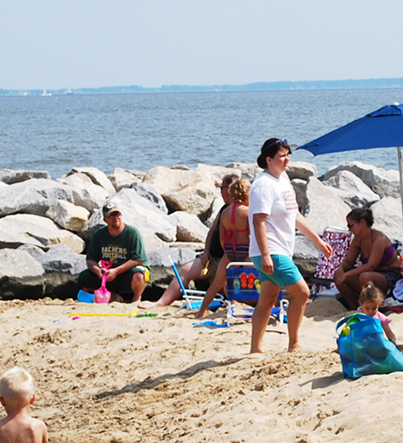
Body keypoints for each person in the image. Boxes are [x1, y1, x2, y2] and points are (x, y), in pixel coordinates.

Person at [247, 137, 332, 354]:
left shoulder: (283, 179)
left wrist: (318, 241)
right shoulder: (263, 184)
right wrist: (265, 255)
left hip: (279, 250)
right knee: (302, 293)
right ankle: (294, 344)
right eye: (281, 156)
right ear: (268, 159)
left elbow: (295, 215)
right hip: (271, 251)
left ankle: (255, 349)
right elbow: (258, 221)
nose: (287, 160)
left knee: (266, 300)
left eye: (288, 155)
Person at [137, 173, 242, 311]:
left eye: (222, 188)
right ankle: (161, 302)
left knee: (228, 282)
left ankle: (233, 308)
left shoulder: (239, 211)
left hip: (228, 260)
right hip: (212, 259)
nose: (220, 192)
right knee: (185, 270)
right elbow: (211, 233)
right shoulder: (223, 209)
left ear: (228, 189)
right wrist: (206, 252)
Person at [195, 176, 251, 316]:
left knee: (216, 284)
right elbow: (253, 235)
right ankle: (271, 306)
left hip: (230, 251)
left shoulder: (225, 212)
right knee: (262, 279)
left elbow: (222, 237)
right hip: (246, 250)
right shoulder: (247, 212)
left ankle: (201, 311)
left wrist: (227, 251)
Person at [76, 201, 148, 303]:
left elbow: (138, 260)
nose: (115, 218)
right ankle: (112, 296)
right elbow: (90, 260)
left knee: (139, 275)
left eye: (117, 214)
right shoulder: (98, 235)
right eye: (111, 215)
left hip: (126, 272)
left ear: (121, 215)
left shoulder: (132, 233)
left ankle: (136, 298)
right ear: (105, 219)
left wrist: (116, 271)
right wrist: (98, 271)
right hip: (107, 274)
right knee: (83, 277)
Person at [334, 208, 403, 308]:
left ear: (362, 222)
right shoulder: (358, 240)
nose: (349, 229)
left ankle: (372, 306)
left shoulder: (379, 238)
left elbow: (371, 266)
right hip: (370, 274)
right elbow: (349, 261)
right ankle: (355, 307)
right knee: (338, 275)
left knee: (364, 276)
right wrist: (341, 269)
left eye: (350, 225)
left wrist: (347, 274)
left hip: (389, 275)